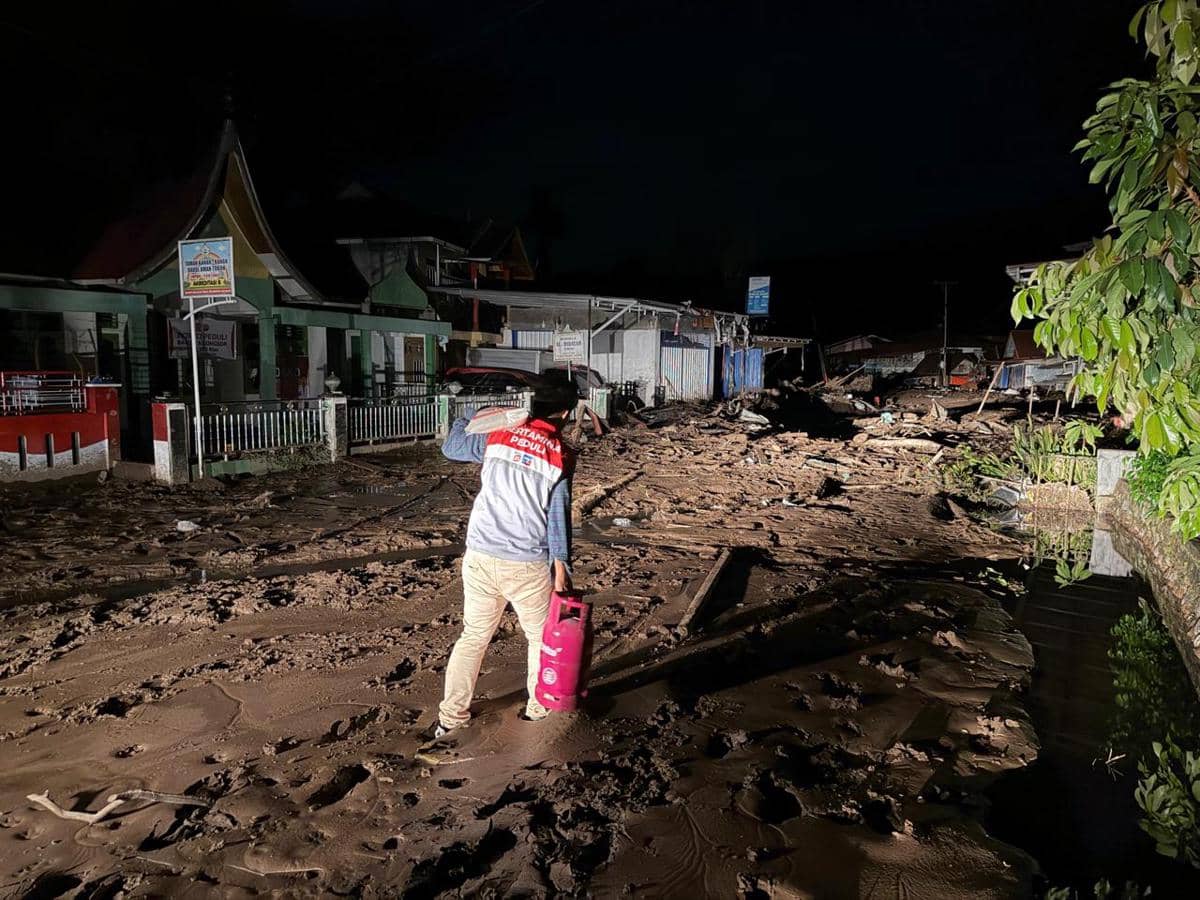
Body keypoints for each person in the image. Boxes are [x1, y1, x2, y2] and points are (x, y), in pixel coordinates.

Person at [433, 381, 579, 738]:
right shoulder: (560, 453)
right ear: (565, 413)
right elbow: (557, 517)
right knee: (538, 640)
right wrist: (561, 568)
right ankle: (537, 711)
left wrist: (472, 414)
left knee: (473, 637)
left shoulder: (498, 434)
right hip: (526, 564)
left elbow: (451, 447)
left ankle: (450, 718)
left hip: (480, 556)